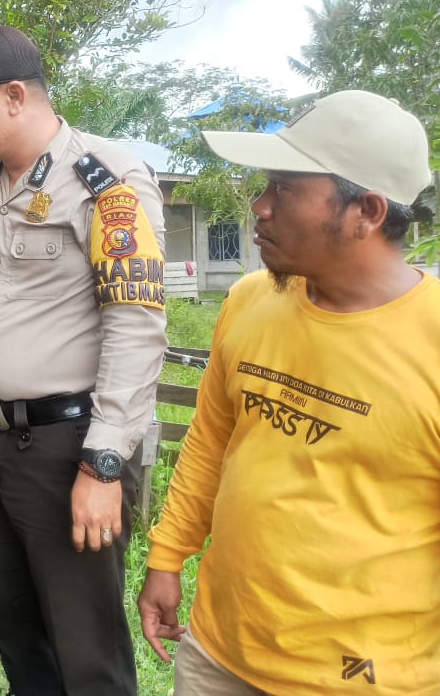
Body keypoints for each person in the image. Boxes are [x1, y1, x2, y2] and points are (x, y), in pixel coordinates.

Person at [138, 90, 439, 695]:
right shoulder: (250, 300)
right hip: (217, 653)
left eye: (285, 187)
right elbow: (210, 442)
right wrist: (167, 556)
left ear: (367, 211)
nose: (260, 206)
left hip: (365, 679)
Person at [0, 25, 167, 695]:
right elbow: (3, 305)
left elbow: (135, 323)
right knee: (19, 631)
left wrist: (103, 462)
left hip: (69, 449)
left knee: (85, 651)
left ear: (15, 96)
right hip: (1, 443)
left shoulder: (105, 178)